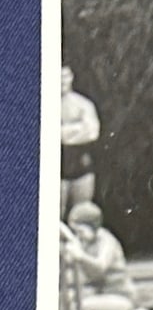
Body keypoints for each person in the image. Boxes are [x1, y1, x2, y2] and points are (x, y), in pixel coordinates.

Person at [61, 201, 137, 310]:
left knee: (81, 306)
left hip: (120, 298)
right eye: (75, 232)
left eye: (80, 232)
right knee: (68, 303)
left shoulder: (107, 242)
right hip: (100, 296)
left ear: (93, 228)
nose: (78, 236)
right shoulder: (85, 242)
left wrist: (81, 257)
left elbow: (100, 267)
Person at [60, 65, 101, 219]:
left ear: (71, 77)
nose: (61, 81)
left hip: (81, 170)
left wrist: (63, 132)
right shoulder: (44, 103)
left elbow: (91, 132)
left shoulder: (83, 104)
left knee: (82, 217)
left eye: (65, 76)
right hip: (57, 171)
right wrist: (76, 128)